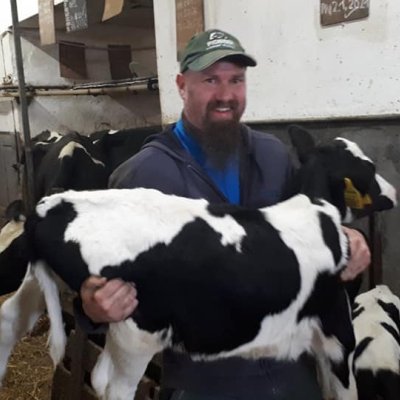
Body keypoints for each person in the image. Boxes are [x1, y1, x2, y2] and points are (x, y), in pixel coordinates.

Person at [80, 29, 370, 400]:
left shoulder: (274, 157)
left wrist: (350, 239)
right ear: (182, 86)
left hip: (291, 373)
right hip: (203, 383)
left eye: (236, 80)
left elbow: (309, 233)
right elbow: (98, 287)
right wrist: (93, 306)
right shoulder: (143, 177)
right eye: (210, 80)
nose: (226, 95)